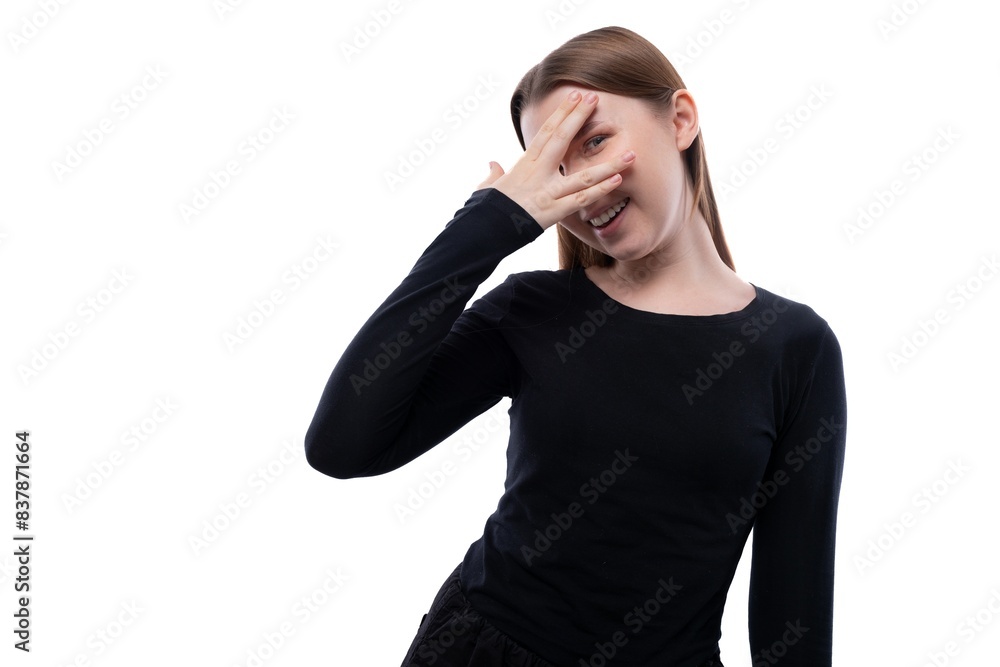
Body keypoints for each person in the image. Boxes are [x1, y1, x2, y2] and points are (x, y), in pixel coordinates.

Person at [304, 25, 847, 667]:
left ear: (679, 120)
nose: (582, 185)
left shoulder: (795, 348)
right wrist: (487, 225)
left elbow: (793, 622)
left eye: (594, 141)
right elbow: (342, 445)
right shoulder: (532, 310)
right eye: (554, 168)